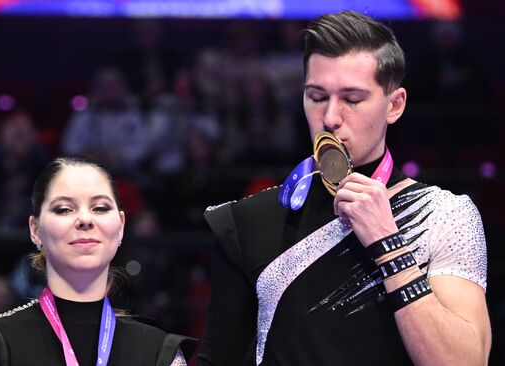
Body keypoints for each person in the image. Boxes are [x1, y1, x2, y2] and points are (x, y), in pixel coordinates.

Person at [198, 11, 491, 366]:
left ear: (394, 105)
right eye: (317, 96)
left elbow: (464, 362)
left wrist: (389, 245)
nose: (331, 117)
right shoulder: (243, 221)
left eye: (352, 99)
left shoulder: (444, 214)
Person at [0, 156, 195, 365]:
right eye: (63, 209)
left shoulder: (159, 353)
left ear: (121, 226)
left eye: (100, 208)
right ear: (35, 229)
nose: (85, 219)